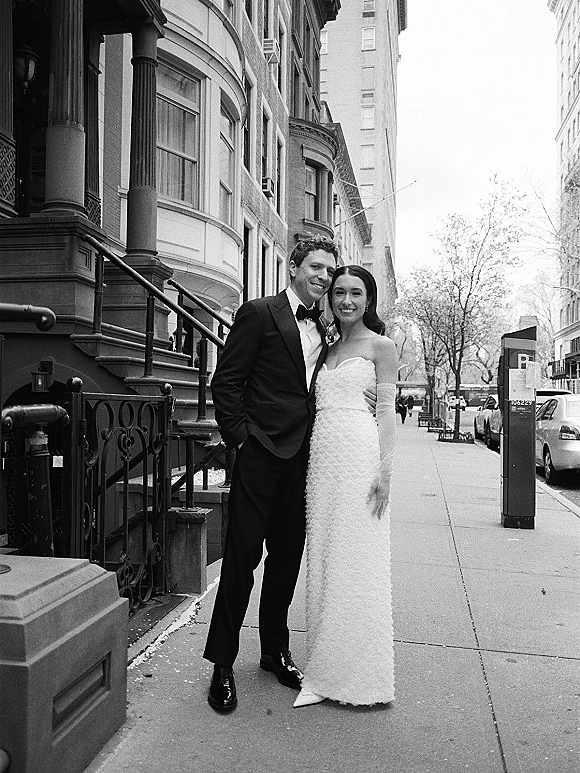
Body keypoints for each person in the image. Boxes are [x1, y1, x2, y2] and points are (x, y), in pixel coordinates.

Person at [203, 236, 341, 712]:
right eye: (316, 268)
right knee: (241, 560)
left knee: (286, 561)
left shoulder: (327, 329)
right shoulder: (260, 313)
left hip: (303, 460)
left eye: (329, 270)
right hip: (260, 454)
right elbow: (227, 382)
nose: (323, 277)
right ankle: (222, 664)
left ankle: (274, 652)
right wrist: (242, 439)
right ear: (293, 268)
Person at [294, 265, 398, 708]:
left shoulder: (382, 346)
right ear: (330, 298)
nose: (347, 300)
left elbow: (387, 410)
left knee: (357, 559)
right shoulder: (326, 345)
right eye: (339, 292)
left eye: (356, 292)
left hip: (359, 456)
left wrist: (385, 472)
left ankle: (357, 673)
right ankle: (321, 665)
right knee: (324, 556)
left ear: (368, 299)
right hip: (322, 460)